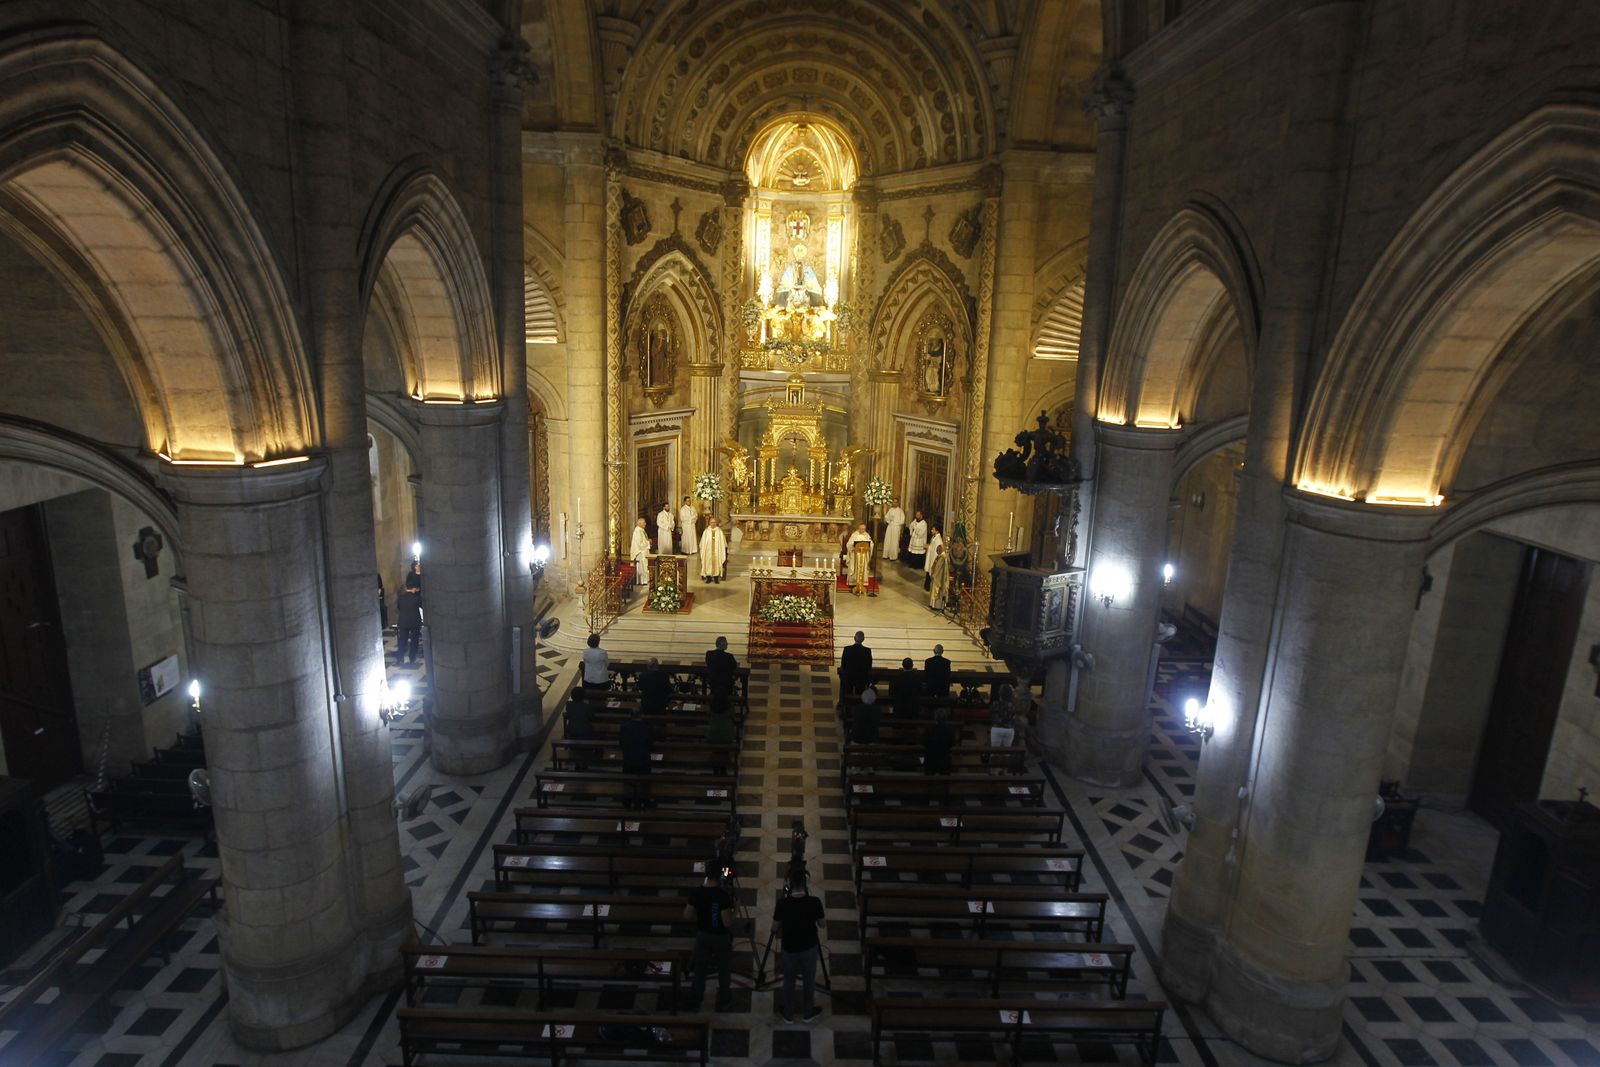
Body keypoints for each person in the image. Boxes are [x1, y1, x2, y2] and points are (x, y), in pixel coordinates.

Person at [772, 877, 826, 1023]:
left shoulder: (782, 903)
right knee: (809, 979)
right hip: (809, 947)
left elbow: (774, 928)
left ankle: (788, 1014)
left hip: (789, 949)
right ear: (805, 887)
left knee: (789, 980)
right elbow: (822, 925)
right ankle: (808, 1013)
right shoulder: (815, 902)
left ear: (789, 888)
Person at [684, 871, 736, 1011]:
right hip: (720, 937)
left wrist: (701, 916)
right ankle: (725, 1000)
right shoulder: (722, 895)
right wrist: (733, 911)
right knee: (723, 970)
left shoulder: (696, 893)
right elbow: (727, 922)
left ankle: (696, 998)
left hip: (703, 935)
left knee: (700, 969)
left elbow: (687, 916)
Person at [619, 706, 654, 808]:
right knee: (645, 781)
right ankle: (645, 801)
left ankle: (627, 801)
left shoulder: (624, 727)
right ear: (642, 715)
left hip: (628, 759)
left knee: (628, 781)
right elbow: (650, 743)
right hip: (643, 759)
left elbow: (621, 743)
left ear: (630, 716)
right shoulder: (647, 728)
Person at [706, 696, 736, 775]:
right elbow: (733, 718)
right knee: (724, 748)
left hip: (712, 735)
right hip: (727, 735)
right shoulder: (730, 707)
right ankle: (723, 768)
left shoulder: (711, 707)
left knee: (716, 747)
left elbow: (708, 718)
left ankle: (716, 769)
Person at [705, 636, 738, 705]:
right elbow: (734, 666)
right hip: (726, 683)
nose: (727, 644)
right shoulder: (729, 656)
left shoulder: (709, 654)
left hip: (713, 682)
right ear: (721, 644)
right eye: (726, 643)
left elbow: (708, 663)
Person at [396, 583, 423, 665]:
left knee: (402, 641)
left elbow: (399, 608)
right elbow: (421, 606)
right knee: (414, 641)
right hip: (414, 622)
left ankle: (400, 658)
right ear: (414, 588)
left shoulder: (401, 598)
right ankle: (412, 658)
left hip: (403, 622)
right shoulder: (417, 598)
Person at [923, 708, 956, 775]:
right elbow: (952, 744)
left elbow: (925, 743)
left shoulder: (929, 730)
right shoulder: (950, 731)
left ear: (935, 718)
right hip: (945, 761)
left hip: (930, 761)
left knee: (923, 758)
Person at [839, 630, 872, 697]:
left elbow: (843, 663)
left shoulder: (847, 649)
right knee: (860, 694)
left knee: (848, 692)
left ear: (854, 638)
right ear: (863, 639)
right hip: (862, 678)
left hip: (849, 677)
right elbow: (869, 666)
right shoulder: (867, 651)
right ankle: (858, 705)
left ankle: (847, 704)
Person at [845, 522, 873, 595]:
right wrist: (853, 547)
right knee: (854, 567)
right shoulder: (854, 535)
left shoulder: (867, 535)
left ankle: (862, 583)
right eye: (861, 528)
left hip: (863, 555)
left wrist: (870, 546)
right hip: (855, 556)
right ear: (858, 528)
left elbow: (871, 544)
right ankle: (854, 582)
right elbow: (848, 544)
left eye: (863, 529)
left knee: (863, 567)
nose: (862, 530)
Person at [699, 517, 728, 583]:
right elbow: (702, 543)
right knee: (708, 562)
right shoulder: (706, 531)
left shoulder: (719, 531)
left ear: (716, 523)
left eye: (714, 522)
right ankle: (708, 577)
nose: (713, 524)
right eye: (712, 522)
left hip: (717, 552)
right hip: (708, 551)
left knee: (717, 562)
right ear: (709, 523)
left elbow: (723, 543)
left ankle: (716, 578)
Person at [629, 517, 651, 590]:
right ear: (640, 523)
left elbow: (643, 540)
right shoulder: (637, 531)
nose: (645, 523)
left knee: (644, 566)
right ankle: (642, 581)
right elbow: (639, 543)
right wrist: (648, 542)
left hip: (643, 551)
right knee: (642, 566)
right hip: (640, 552)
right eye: (644, 522)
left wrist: (647, 541)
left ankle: (644, 580)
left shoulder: (641, 530)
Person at [928, 543, 950, 611]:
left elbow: (938, 567)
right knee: (934, 591)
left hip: (939, 578)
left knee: (937, 592)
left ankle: (937, 606)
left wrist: (934, 575)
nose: (937, 552)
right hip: (938, 576)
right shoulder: (940, 556)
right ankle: (933, 604)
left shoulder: (942, 558)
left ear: (940, 550)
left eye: (937, 550)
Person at [923, 525, 944, 589]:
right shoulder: (933, 538)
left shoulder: (938, 540)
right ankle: (927, 586)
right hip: (930, 558)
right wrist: (929, 547)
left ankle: (929, 587)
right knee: (928, 573)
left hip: (933, 559)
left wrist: (928, 548)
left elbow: (937, 552)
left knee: (931, 573)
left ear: (937, 531)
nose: (931, 531)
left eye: (933, 529)